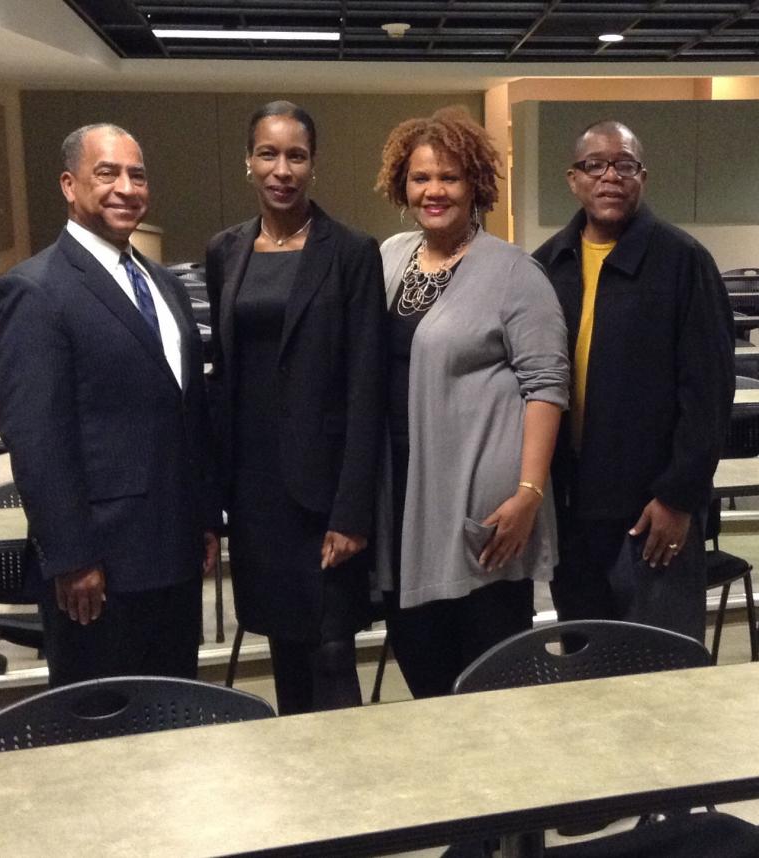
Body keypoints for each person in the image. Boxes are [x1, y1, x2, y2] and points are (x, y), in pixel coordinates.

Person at [0, 123, 221, 687]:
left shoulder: (162, 284)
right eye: (108, 172)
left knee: (175, 712)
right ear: (70, 186)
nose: (126, 187)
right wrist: (71, 556)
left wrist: (204, 519)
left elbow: (184, 415)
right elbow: (37, 437)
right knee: (101, 728)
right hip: (98, 569)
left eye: (137, 175)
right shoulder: (38, 289)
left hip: (174, 555)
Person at [373, 106, 569, 698]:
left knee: (488, 687)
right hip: (403, 499)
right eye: (421, 178)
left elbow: (547, 385)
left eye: (450, 177)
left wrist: (529, 495)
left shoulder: (514, 272)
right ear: (401, 185)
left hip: (483, 514)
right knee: (424, 674)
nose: (434, 191)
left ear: (477, 184)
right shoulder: (389, 256)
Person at [205, 101, 386, 715]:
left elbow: (368, 388)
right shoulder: (226, 252)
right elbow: (224, 374)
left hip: (325, 495)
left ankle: (350, 797)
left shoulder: (352, 253)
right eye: (268, 153)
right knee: (285, 645)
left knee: (332, 650)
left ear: (313, 165)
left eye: (296, 156)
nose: (281, 169)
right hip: (256, 496)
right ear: (247, 162)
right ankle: (300, 788)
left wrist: (353, 510)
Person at [533, 120, 735, 643]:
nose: (610, 176)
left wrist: (678, 498)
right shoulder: (547, 266)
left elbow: (709, 392)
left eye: (625, 165)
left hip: (652, 512)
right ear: (573, 179)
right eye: (595, 165)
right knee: (586, 667)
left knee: (658, 674)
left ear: (642, 177)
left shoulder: (682, 261)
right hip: (572, 513)